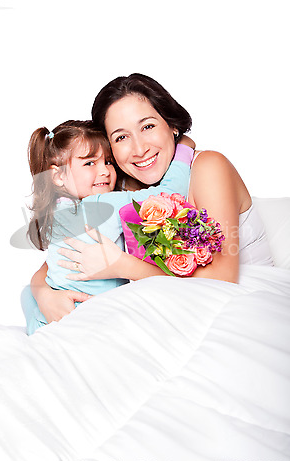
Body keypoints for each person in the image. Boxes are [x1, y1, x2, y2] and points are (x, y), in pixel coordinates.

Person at [23, 73, 273, 330]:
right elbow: (57, 260)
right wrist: (44, 295)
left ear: (172, 125)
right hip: (174, 312)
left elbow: (221, 280)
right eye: (121, 137)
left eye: (148, 127)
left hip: (236, 309)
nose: (139, 148)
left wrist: (122, 265)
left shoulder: (209, 167)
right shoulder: (124, 189)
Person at [23, 119, 194, 334]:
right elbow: (170, 192)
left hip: (48, 320)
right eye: (90, 163)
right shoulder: (100, 206)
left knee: (27, 294)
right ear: (58, 176)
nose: (104, 171)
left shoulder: (55, 213)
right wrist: (184, 147)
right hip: (93, 322)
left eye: (109, 162)